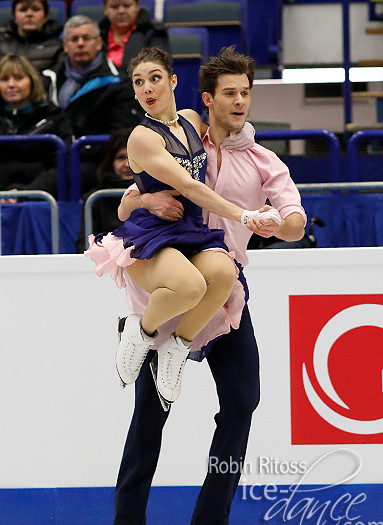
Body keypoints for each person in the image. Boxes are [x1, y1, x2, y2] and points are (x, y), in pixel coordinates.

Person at [94, 46, 306, 525]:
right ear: (207, 98)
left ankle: (211, 524)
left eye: (245, 93)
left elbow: (298, 221)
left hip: (224, 294)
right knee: (151, 409)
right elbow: (128, 200)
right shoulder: (182, 135)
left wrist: (277, 223)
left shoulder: (264, 160)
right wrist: (143, 200)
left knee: (242, 403)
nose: (239, 101)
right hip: (171, 284)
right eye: (229, 93)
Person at [86, 46, 280, 408]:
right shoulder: (142, 137)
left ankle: (176, 348)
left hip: (189, 229)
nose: (147, 88)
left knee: (225, 274)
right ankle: (139, 332)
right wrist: (245, 215)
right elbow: (191, 186)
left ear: (173, 81)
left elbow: (226, 133)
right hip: (152, 235)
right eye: (139, 82)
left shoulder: (191, 119)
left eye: (155, 78)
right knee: (189, 285)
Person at [42, 15, 142, 195]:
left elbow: (119, 133)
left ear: (98, 43)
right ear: (65, 46)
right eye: (74, 39)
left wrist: (80, 150)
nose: (80, 44)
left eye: (86, 38)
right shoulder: (49, 80)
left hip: (96, 159)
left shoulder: (118, 82)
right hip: (52, 156)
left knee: (65, 177)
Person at [0, 53, 73, 199]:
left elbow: (63, 167)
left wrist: (27, 193)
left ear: (32, 82)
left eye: (18, 78)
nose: (11, 84)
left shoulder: (54, 117)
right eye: (4, 79)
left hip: (43, 201)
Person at [75, 127, 134, 254]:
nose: (127, 164)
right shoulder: (95, 198)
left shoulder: (157, 194)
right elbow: (83, 245)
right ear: (110, 162)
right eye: (121, 157)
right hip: (107, 262)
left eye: (133, 158)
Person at [99, 0, 169, 73]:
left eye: (127, 6)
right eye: (114, 7)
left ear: (137, 6)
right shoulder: (96, 34)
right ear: (105, 9)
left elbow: (158, 69)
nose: (121, 11)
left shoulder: (154, 32)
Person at [0, 0, 64, 72]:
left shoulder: (58, 47)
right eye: (23, 10)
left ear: (45, 16)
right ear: (14, 16)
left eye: (36, 9)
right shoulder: (0, 44)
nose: (29, 14)